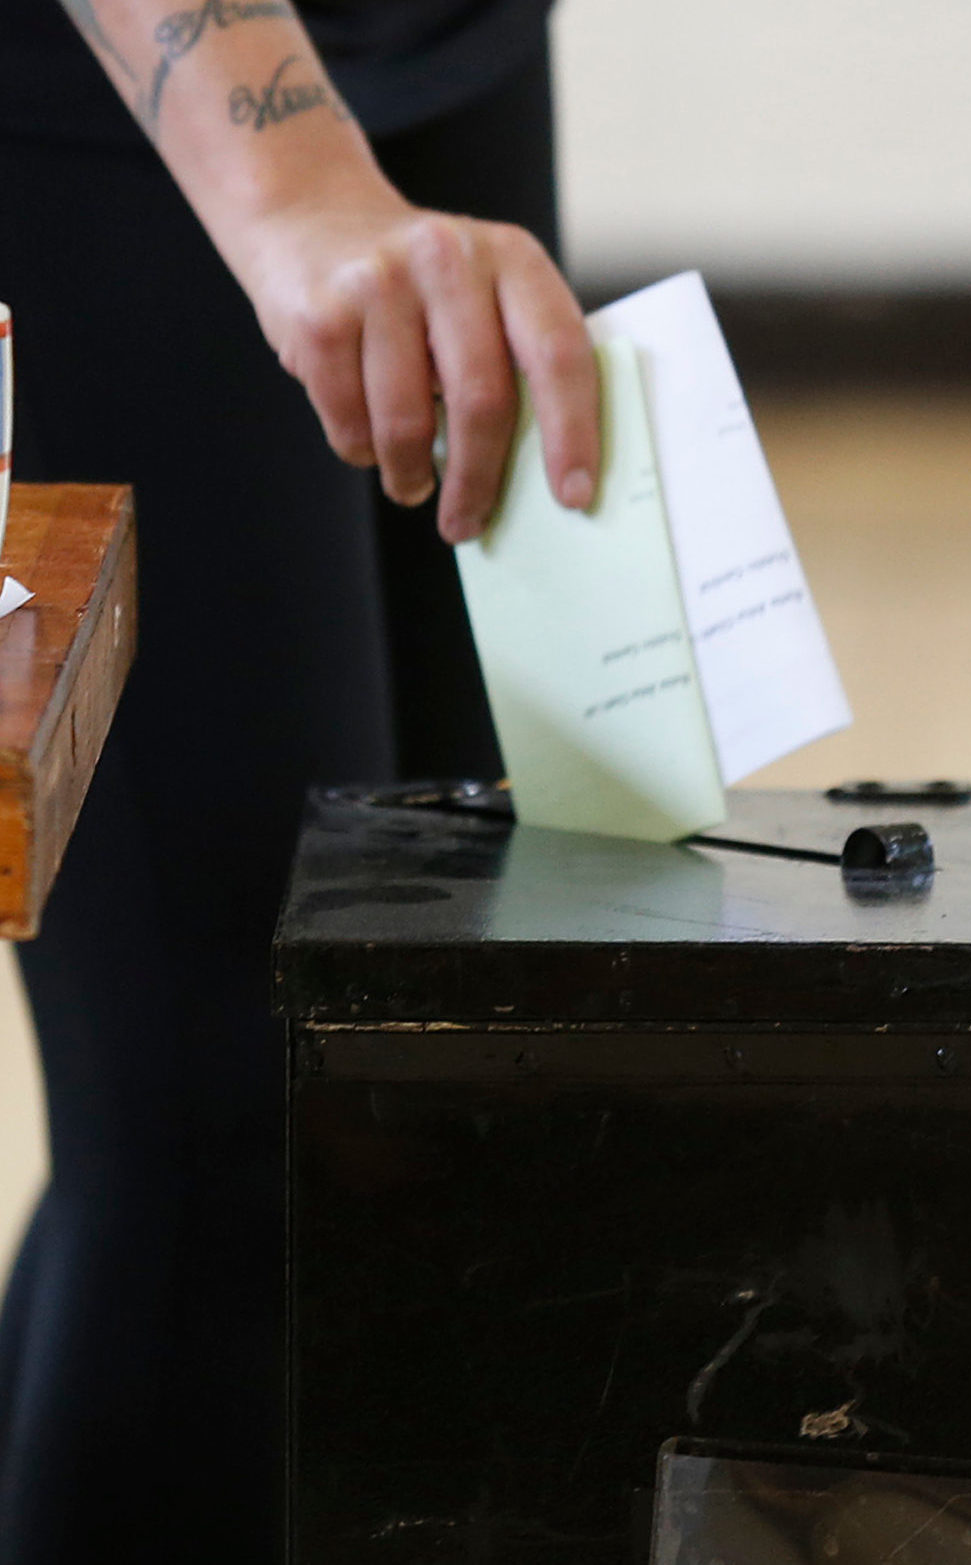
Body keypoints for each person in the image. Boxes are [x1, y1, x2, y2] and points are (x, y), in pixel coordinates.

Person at [0, 0, 602, 1556]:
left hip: (435, 46)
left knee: (426, 1061)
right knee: (228, 1121)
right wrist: (289, 188)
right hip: (86, 93)